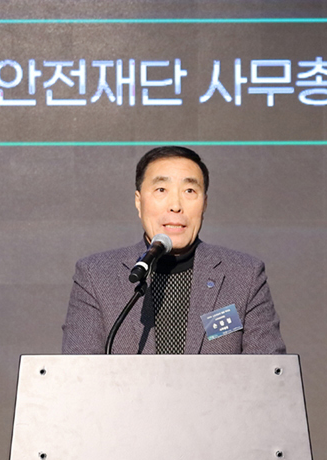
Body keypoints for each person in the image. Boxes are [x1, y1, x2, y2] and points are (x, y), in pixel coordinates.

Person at [61, 146, 285, 354]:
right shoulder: (96, 275)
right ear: (139, 202)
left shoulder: (244, 275)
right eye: (161, 189)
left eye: (189, 190)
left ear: (204, 204)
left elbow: (270, 372)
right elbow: (78, 373)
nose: (176, 205)